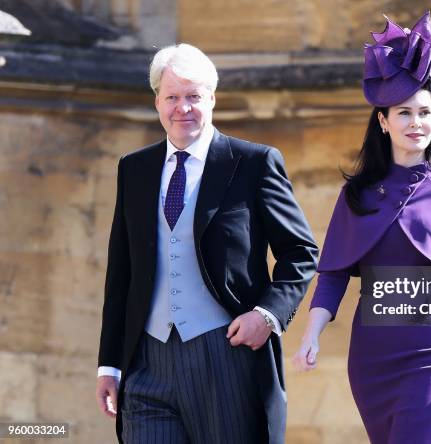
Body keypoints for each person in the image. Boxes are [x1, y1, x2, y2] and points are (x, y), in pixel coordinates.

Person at [293, 13, 431, 444]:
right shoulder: (357, 195)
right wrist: (312, 334)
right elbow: (333, 273)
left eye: (424, 112)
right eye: (404, 113)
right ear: (383, 121)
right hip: (371, 359)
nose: (416, 122)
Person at [94, 43, 318, 444]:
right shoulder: (134, 169)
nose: (184, 108)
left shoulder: (253, 163)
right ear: (157, 102)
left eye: (194, 96)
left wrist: (266, 316)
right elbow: (121, 273)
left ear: (212, 98)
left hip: (225, 355)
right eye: (173, 97)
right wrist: (109, 365)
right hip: (147, 362)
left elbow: (300, 252)